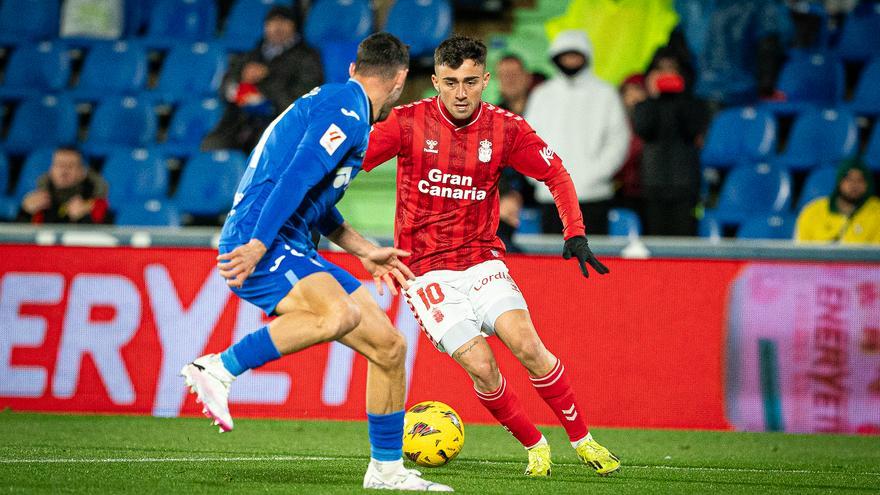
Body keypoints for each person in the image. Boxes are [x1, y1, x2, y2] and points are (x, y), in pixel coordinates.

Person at [180, 33, 452, 492]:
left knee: (389, 348)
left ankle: (386, 471)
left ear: (353, 67)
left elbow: (315, 202)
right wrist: (260, 244)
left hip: (287, 239)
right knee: (337, 313)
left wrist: (364, 249)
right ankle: (218, 368)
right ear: (401, 80)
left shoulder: (347, 107)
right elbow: (295, 178)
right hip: (263, 238)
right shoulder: (345, 111)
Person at [363, 36, 620, 477]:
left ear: (485, 80)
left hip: (482, 260)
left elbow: (555, 173)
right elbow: (347, 163)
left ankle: (584, 440)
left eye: (469, 82)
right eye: (450, 82)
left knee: (528, 346)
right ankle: (535, 445)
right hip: (424, 274)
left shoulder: (507, 129)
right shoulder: (406, 123)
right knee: (482, 366)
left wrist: (574, 232)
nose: (460, 93)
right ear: (435, 82)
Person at [524, 30, 630, 235]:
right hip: (551, 196)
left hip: (594, 196)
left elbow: (618, 141)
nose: (570, 61)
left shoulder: (605, 93)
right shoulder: (542, 95)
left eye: (575, 55)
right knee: (551, 264)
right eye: (565, 56)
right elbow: (527, 142)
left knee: (591, 260)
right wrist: (542, 177)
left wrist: (594, 175)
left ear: (586, 56)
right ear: (556, 58)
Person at [202, 6, 324, 152]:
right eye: (272, 22)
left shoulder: (307, 57)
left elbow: (306, 98)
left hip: (279, 122)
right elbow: (225, 86)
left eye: (283, 21)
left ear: (294, 25)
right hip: (240, 121)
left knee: (263, 149)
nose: (277, 27)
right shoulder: (252, 54)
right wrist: (240, 84)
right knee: (212, 145)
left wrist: (266, 87)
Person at [632, 48, 710, 236]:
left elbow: (691, 129)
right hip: (652, 186)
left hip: (685, 186)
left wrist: (680, 95)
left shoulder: (695, 104)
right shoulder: (645, 105)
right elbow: (644, 129)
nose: (666, 74)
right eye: (661, 69)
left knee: (685, 241)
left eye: (671, 69)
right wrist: (653, 95)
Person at [795, 158, 880, 244]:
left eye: (860, 180)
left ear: (868, 184)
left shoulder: (877, 212)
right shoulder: (813, 210)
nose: (854, 185)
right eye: (848, 179)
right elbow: (802, 252)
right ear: (839, 182)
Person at [19, 147, 109, 224]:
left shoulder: (95, 203)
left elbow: (107, 237)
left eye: (70, 166)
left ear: (82, 172)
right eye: (59, 165)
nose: (64, 171)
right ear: (51, 169)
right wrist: (25, 213)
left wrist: (84, 217)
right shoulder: (39, 198)